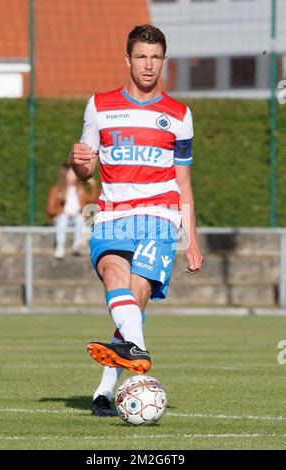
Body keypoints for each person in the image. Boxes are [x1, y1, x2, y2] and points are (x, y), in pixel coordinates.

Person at [70, 24, 203, 417]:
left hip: (159, 215)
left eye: (156, 57)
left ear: (164, 61)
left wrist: (192, 238)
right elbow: (86, 168)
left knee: (137, 293)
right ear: (127, 59)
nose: (148, 65)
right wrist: (80, 166)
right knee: (114, 275)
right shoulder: (99, 106)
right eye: (141, 57)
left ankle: (105, 388)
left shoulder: (179, 116)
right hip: (111, 213)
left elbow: (183, 180)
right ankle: (138, 365)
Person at [47, 163, 99, 258]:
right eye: (71, 173)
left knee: (80, 219)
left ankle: (77, 245)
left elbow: (92, 199)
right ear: (65, 174)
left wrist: (93, 184)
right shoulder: (56, 189)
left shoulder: (79, 188)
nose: (74, 175)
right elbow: (50, 210)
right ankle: (60, 246)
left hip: (76, 217)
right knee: (63, 218)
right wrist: (64, 211)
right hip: (61, 217)